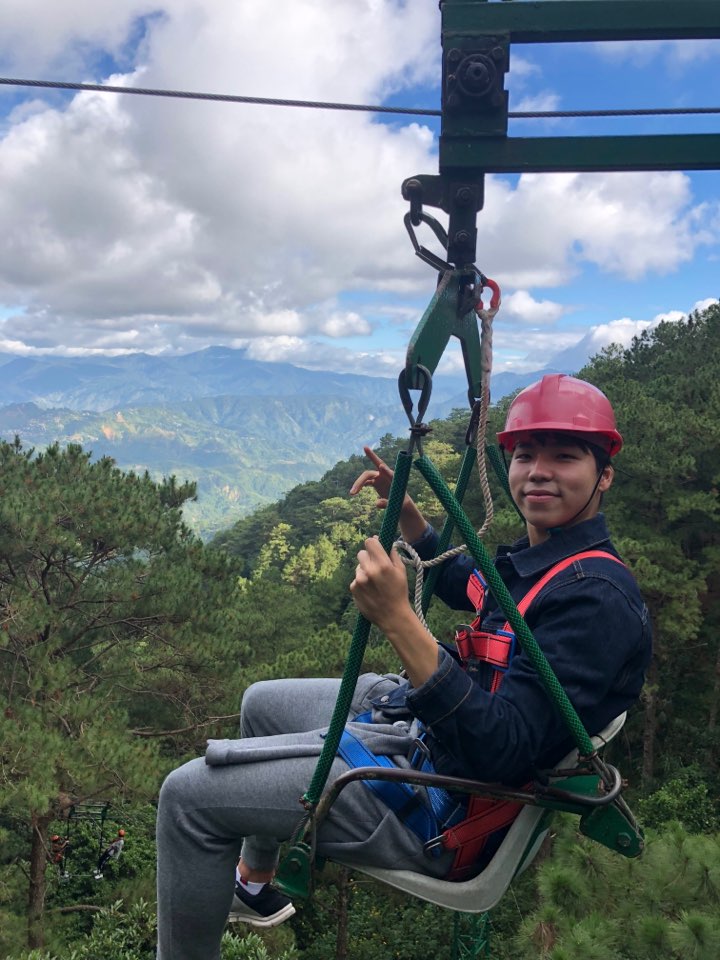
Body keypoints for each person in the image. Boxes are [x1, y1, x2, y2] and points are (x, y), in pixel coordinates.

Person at [156, 374, 651, 960]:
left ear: (604, 474)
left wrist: (399, 621)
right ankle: (257, 885)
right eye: (525, 455)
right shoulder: (548, 565)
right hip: (430, 737)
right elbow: (465, 582)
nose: (539, 470)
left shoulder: (594, 600)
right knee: (262, 702)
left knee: (186, 798)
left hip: (445, 807)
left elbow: (503, 752)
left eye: (564, 456)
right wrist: (414, 520)